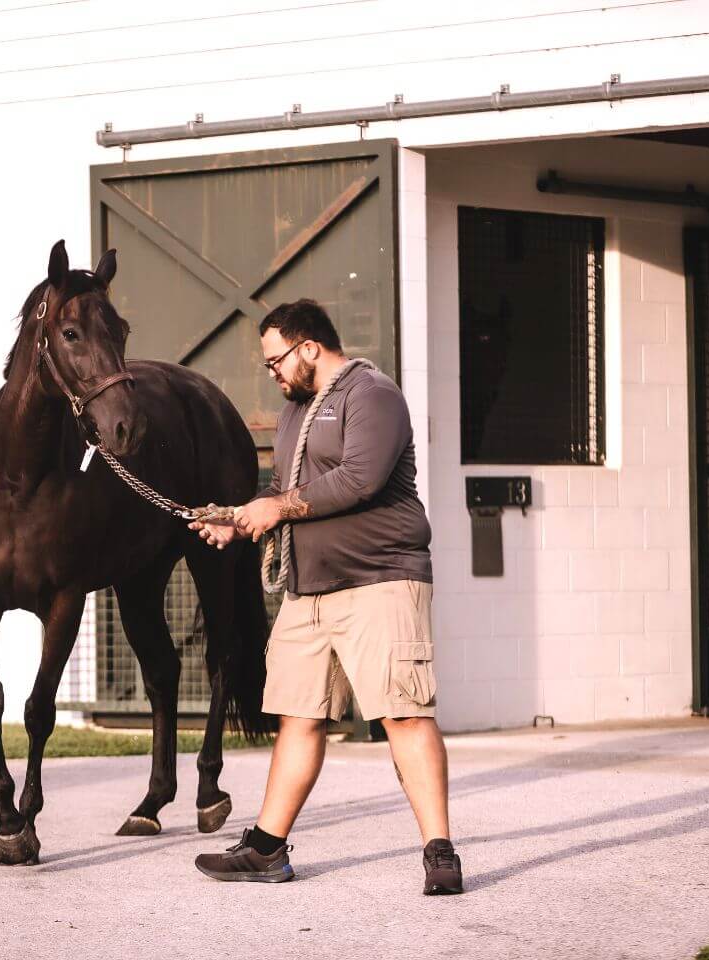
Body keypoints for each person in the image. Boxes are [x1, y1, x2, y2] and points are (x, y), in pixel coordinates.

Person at [189, 299, 463, 894]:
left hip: (380, 580)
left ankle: (439, 849)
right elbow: (288, 492)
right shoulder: (294, 413)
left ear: (309, 346)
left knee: (404, 713)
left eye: (276, 360)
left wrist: (274, 506)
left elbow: (358, 479)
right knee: (299, 717)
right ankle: (266, 847)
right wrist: (238, 521)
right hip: (308, 590)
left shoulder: (373, 394)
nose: (273, 373)